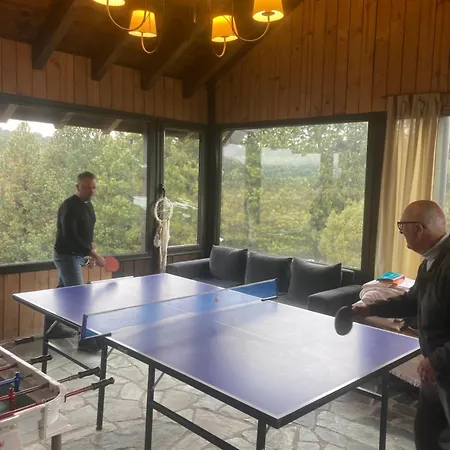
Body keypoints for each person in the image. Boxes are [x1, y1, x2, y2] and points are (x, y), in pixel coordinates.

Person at [353, 200, 450, 450]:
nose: (401, 231)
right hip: (436, 372)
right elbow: (411, 301)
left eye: (402, 226)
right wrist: (371, 309)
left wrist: (437, 360)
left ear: (418, 229)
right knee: (427, 433)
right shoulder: (430, 261)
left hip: (443, 366)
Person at [48, 171, 105, 351]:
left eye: (93, 187)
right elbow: (70, 236)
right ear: (77, 187)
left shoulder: (88, 205)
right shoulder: (69, 206)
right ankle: (86, 340)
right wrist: (94, 255)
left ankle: (52, 327)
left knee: (63, 291)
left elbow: (88, 232)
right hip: (66, 255)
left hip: (78, 255)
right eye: (86, 187)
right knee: (81, 297)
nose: (91, 190)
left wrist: (90, 253)